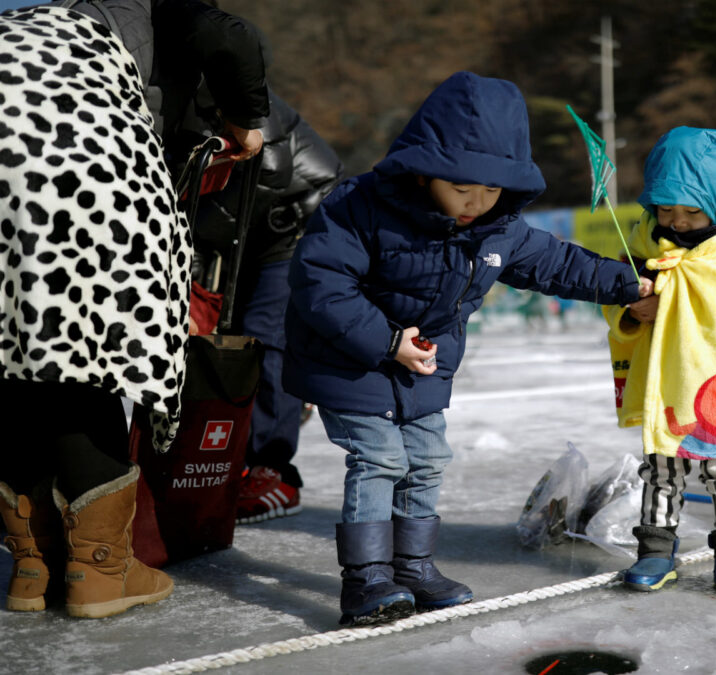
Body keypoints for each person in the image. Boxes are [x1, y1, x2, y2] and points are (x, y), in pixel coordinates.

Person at [282, 71, 653, 627]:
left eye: (493, 191)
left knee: (428, 461)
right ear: (426, 170)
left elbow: (558, 263)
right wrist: (387, 340)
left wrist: (630, 287)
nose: (477, 203)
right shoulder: (358, 207)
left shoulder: (496, 227)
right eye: (462, 189)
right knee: (380, 458)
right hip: (350, 359)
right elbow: (320, 283)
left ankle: (413, 567)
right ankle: (366, 580)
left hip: (424, 365)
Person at [0, 1, 266, 618]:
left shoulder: (42, 15)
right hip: (70, 151)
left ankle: (31, 567)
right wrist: (245, 119)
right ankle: (99, 573)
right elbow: (224, 34)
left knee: (13, 352)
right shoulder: (142, 4)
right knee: (84, 353)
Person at [603, 127, 716, 593]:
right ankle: (656, 551)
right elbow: (615, 290)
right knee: (661, 468)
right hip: (665, 380)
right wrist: (629, 302)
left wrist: (668, 303)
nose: (676, 222)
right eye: (666, 210)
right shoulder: (644, 239)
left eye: (690, 212)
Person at [187, 87, 345, 524]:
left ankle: (275, 470)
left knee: (264, 335)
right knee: (225, 337)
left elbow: (266, 170)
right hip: (248, 236)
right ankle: (234, 455)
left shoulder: (234, 95)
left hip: (303, 221)